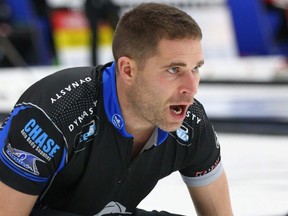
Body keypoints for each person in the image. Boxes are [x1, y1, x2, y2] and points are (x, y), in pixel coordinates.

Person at [0, 3, 233, 216]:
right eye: (173, 70)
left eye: (195, 69)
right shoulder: (57, 113)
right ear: (128, 70)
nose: (191, 88)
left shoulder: (192, 123)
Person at [84, 0, 120, 66]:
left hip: (106, 3)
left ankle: (120, 59)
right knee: (94, 36)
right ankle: (93, 65)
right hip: (92, 4)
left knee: (118, 32)